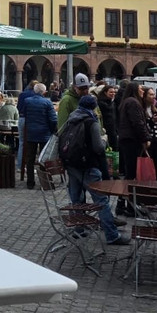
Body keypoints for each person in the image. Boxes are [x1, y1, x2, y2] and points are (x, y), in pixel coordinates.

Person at [62, 94, 131, 246]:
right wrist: (104, 139)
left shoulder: (72, 118)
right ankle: (112, 235)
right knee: (101, 201)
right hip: (88, 165)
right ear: (93, 106)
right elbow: (98, 147)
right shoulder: (91, 121)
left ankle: (78, 229)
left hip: (72, 163)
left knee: (76, 198)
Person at [20, 80, 58, 189]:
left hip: (31, 133)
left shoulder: (27, 101)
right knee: (43, 159)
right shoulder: (47, 103)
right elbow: (53, 119)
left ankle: (30, 182)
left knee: (30, 158)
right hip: (44, 133)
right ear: (44, 92)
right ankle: (44, 182)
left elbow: (24, 114)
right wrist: (52, 131)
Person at [116, 81, 149, 184]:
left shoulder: (127, 101)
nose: (142, 90)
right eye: (140, 88)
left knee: (130, 171)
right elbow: (137, 122)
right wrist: (145, 138)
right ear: (135, 89)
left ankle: (124, 197)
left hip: (127, 139)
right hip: (132, 140)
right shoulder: (133, 102)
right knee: (131, 172)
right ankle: (126, 196)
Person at [142, 87, 157, 172]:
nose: (153, 97)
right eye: (151, 94)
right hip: (149, 143)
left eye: (154, 94)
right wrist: (152, 121)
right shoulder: (142, 110)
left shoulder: (154, 110)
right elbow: (144, 128)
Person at [96, 83, 118, 148]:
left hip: (113, 130)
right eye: (111, 92)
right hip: (105, 131)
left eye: (114, 92)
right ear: (105, 92)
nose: (113, 94)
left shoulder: (113, 103)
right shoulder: (100, 103)